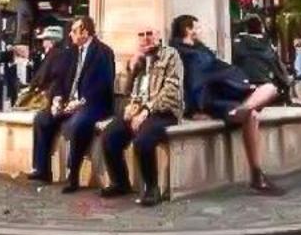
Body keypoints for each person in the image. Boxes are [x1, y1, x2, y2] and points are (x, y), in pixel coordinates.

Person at [172, 14, 285, 194]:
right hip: (212, 99)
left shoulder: (203, 50)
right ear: (188, 30)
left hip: (229, 92)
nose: (201, 31)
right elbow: (188, 83)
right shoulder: (179, 53)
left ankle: (242, 109)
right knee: (253, 115)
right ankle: (257, 175)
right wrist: (194, 110)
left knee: (270, 88)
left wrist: (241, 84)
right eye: (198, 27)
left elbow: (223, 69)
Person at [99, 25, 184, 205]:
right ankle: (120, 182)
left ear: (158, 36)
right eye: (141, 34)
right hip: (138, 109)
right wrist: (131, 68)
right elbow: (123, 90)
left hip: (163, 111)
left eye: (149, 34)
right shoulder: (139, 58)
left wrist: (146, 110)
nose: (145, 38)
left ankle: (152, 188)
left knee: (143, 140)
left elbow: (171, 90)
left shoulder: (170, 55)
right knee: (109, 136)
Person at [28, 16, 115, 193]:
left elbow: (104, 83)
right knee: (42, 118)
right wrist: (57, 99)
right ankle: (42, 169)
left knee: (77, 124)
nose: (71, 34)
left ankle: (73, 174)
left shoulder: (103, 52)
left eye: (75, 31)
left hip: (94, 104)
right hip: (69, 102)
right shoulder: (71, 52)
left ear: (86, 32)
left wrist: (80, 102)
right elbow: (60, 78)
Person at [231, 16, 292, 104]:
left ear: (247, 28)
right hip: (265, 83)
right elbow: (276, 66)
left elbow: (235, 64)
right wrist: (286, 82)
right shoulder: (267, 46)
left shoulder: (238, 44)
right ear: (260, 27)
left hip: (244, 84)